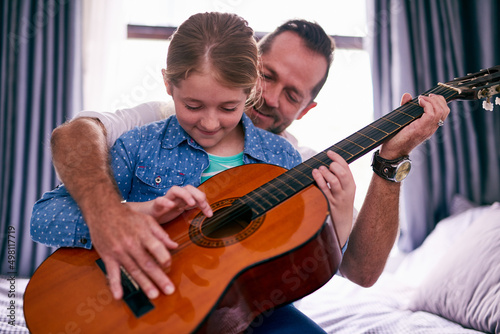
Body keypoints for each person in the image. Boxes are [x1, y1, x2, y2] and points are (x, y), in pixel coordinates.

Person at [34, 15, 449, 332]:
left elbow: (354, 270)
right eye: (269, 77)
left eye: (292, 94)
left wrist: (385, 165)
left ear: (306, 110)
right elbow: (64, 160)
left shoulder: (291, 162)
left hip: (245, 312)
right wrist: (120, 214)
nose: (211, 122)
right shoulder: (147, 135)